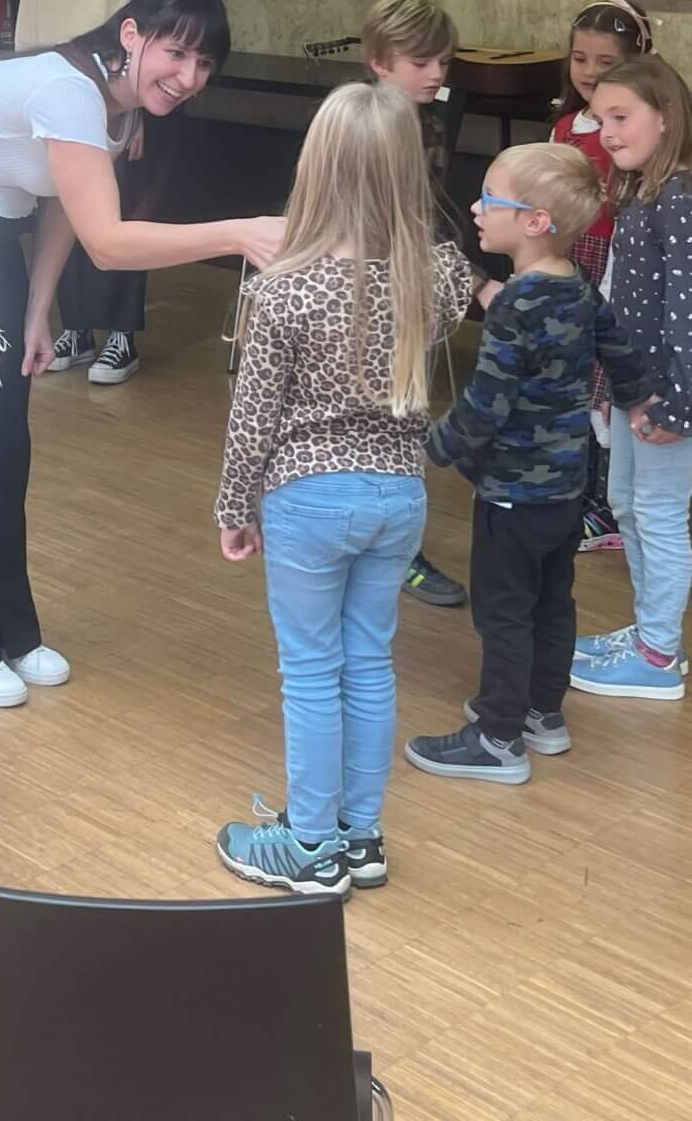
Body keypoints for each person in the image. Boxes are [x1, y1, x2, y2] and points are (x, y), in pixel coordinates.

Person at [0, 0, 283, 707]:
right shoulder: (69, 90)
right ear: (131, 34)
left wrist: (38, 309)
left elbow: (61, 202)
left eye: (204, 64)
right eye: (177, 53)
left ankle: (10, 630)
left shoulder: (116, 104)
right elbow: (107, 244)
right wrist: (239, 232)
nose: (188, 78)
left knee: (6, 445)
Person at [212, 82, 472, 895]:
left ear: (314, 168)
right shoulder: (435, 277)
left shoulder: (281, 287)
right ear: (410, 171)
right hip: (399, 497)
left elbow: (253, 415)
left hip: (308, 497)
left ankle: (310, 847)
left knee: (310, 672)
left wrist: (234, 506)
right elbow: (453, 281)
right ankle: (361, 836)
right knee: (369, 663)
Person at [404, 143, 645, 785]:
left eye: (490, 198)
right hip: (567, 488)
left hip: (512, 491)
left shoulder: (516, 302)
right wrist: (639, 399)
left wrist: (432, 447)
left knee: (503, 612)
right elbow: (620, 351)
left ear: (535, 222)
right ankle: (543, 713)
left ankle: (497, 737)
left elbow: (487, 404)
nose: (476, 208)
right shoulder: (577, 285)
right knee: (551, 601)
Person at [570, 53, 692, 704]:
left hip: (665, 395)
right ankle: (650, 634)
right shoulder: (645, 192)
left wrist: (675, 404)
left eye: (621, 117)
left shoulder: (683, 201)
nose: (608, 133)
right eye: (601, 119)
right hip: (635, 387)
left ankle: (659, 655)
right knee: (630, 508)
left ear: (665, 117)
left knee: (660, 514)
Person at [16, 0, 166, 386]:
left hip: (119, 105)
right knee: (64, 213)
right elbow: (27, 42)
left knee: (119, 215)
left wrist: (139, 113)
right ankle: (76, 329)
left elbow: (154, 35)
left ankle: (121, 335)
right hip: (59, 107)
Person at [360, 0, 470, 611]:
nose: (435, 75)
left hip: (409, 290)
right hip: (361, 295)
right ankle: (381, 546)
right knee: (375, 424)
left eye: (443, 63)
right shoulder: (358, 125)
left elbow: (430, 217)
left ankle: (400, 549)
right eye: (420, 63)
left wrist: (465, 276)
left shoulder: (429, 124)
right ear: (380, 62)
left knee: (403, 422)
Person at [551, 0, 652, 551]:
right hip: (573, 263)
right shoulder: (566, 125)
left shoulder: (636, 132)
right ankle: (579, 493)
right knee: (573, 379)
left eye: (606, 62)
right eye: (579, 58)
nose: (589, 71)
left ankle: (609, 507)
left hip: (615, 268)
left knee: (605, 385)